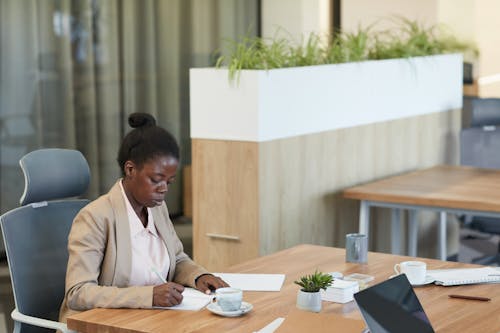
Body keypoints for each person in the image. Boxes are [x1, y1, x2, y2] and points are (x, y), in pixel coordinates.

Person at [59, 112, 228, 322]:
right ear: (130, 169)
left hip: (150, 321)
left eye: (170, 181)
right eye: (156, 180)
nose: (164, 189)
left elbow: (176, 258)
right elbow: (78, 293)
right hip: (103, 326)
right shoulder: (95, 217)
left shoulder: (157, 208)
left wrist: (199, 276)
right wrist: (149, 296)